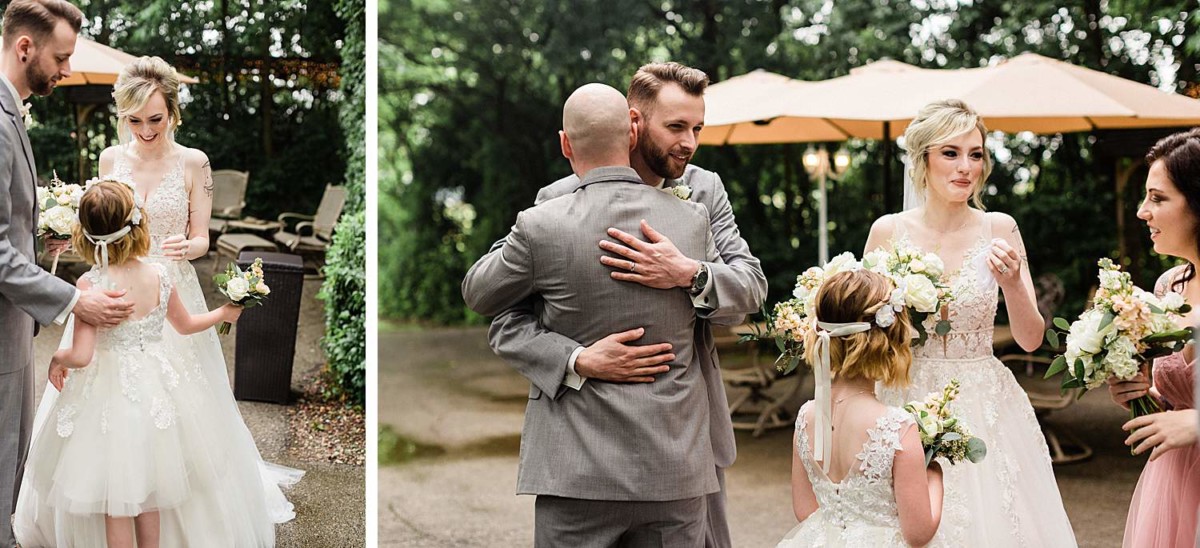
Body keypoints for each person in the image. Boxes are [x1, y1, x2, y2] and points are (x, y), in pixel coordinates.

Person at [487, 61, 767, 547]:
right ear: (633, 124)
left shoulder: (704, 190)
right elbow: (506, 315)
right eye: (676, 127)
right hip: (582, 445)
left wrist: (688, 273)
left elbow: (749, 290)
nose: (690, 142)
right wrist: (575, 358)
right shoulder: (557, 200)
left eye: (698, 128)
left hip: (685, 436)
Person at [95, 54, 302, 517]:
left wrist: (184, 247)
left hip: (172, 283)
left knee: (178, 400)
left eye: (156, 119)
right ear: (122, 116)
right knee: (113, 394)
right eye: (135, 121)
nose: (146, 131)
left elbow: (203, 238)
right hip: (118, 286)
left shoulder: (194, 162)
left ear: (173, 111)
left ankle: (181, 502)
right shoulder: (110, 158)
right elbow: (100, 219)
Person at [12, 180, 274, 546]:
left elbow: (82, 355)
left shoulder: (90, 285)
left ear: (84, 234)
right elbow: (185, 326)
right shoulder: (160, 276)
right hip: (156, 393)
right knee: (151, 492)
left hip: (106, 399)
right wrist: (223, 313)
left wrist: (59, 357)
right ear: (137, 226)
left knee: (117, 501)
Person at [864, 99, 1077, 546]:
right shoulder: (888, 231)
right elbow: (868, 336)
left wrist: (1016, 283)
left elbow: (1031, 338)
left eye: (976, 154)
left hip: (982, 401)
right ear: (923, 159)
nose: (966, 167)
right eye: (951, 153)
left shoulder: (999, 228)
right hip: (904, 393)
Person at [0, 2, 135, 544]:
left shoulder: (14, 111)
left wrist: (37, 241)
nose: (67, 70)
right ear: (25, 48)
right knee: (6, 446)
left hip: (13, 323)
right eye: (61, 57)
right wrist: (75, 301)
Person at [777, 270, 942, 547]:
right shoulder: (897, 427)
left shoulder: (806, 417)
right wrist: (934, 477)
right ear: (887, 343)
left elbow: (806, 511)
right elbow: (918, 533)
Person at [1106, 127, 1200, 547]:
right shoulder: (1168, 288)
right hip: (1175, 480)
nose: (1143, 211)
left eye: (1158, 198)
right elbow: (1174, 401)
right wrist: (1139, 391)